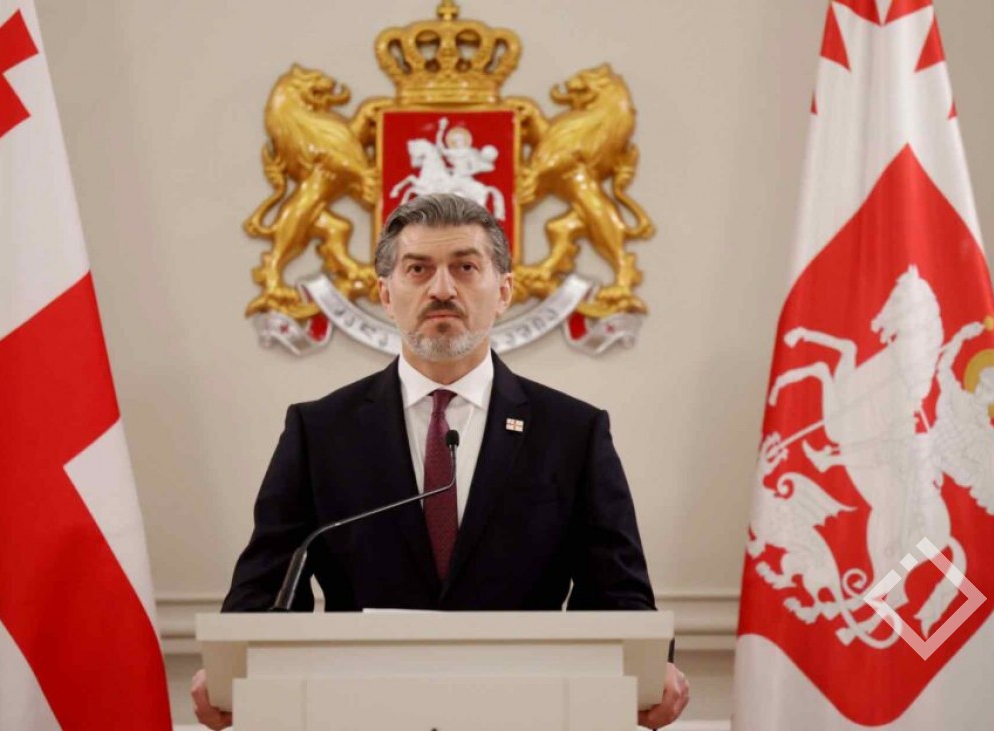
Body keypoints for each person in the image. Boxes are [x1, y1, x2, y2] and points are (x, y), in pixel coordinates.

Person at [192, 193, 688, 729]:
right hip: (361, 715)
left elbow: (618, 593)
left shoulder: (572, 432)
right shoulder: (319, 431)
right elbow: (266, 588)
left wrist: (649, 669)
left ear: (504, 291)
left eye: (465, 267)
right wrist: (231, 670)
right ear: (386, 293)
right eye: (418, 269)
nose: (442, 289)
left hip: (525, 715)